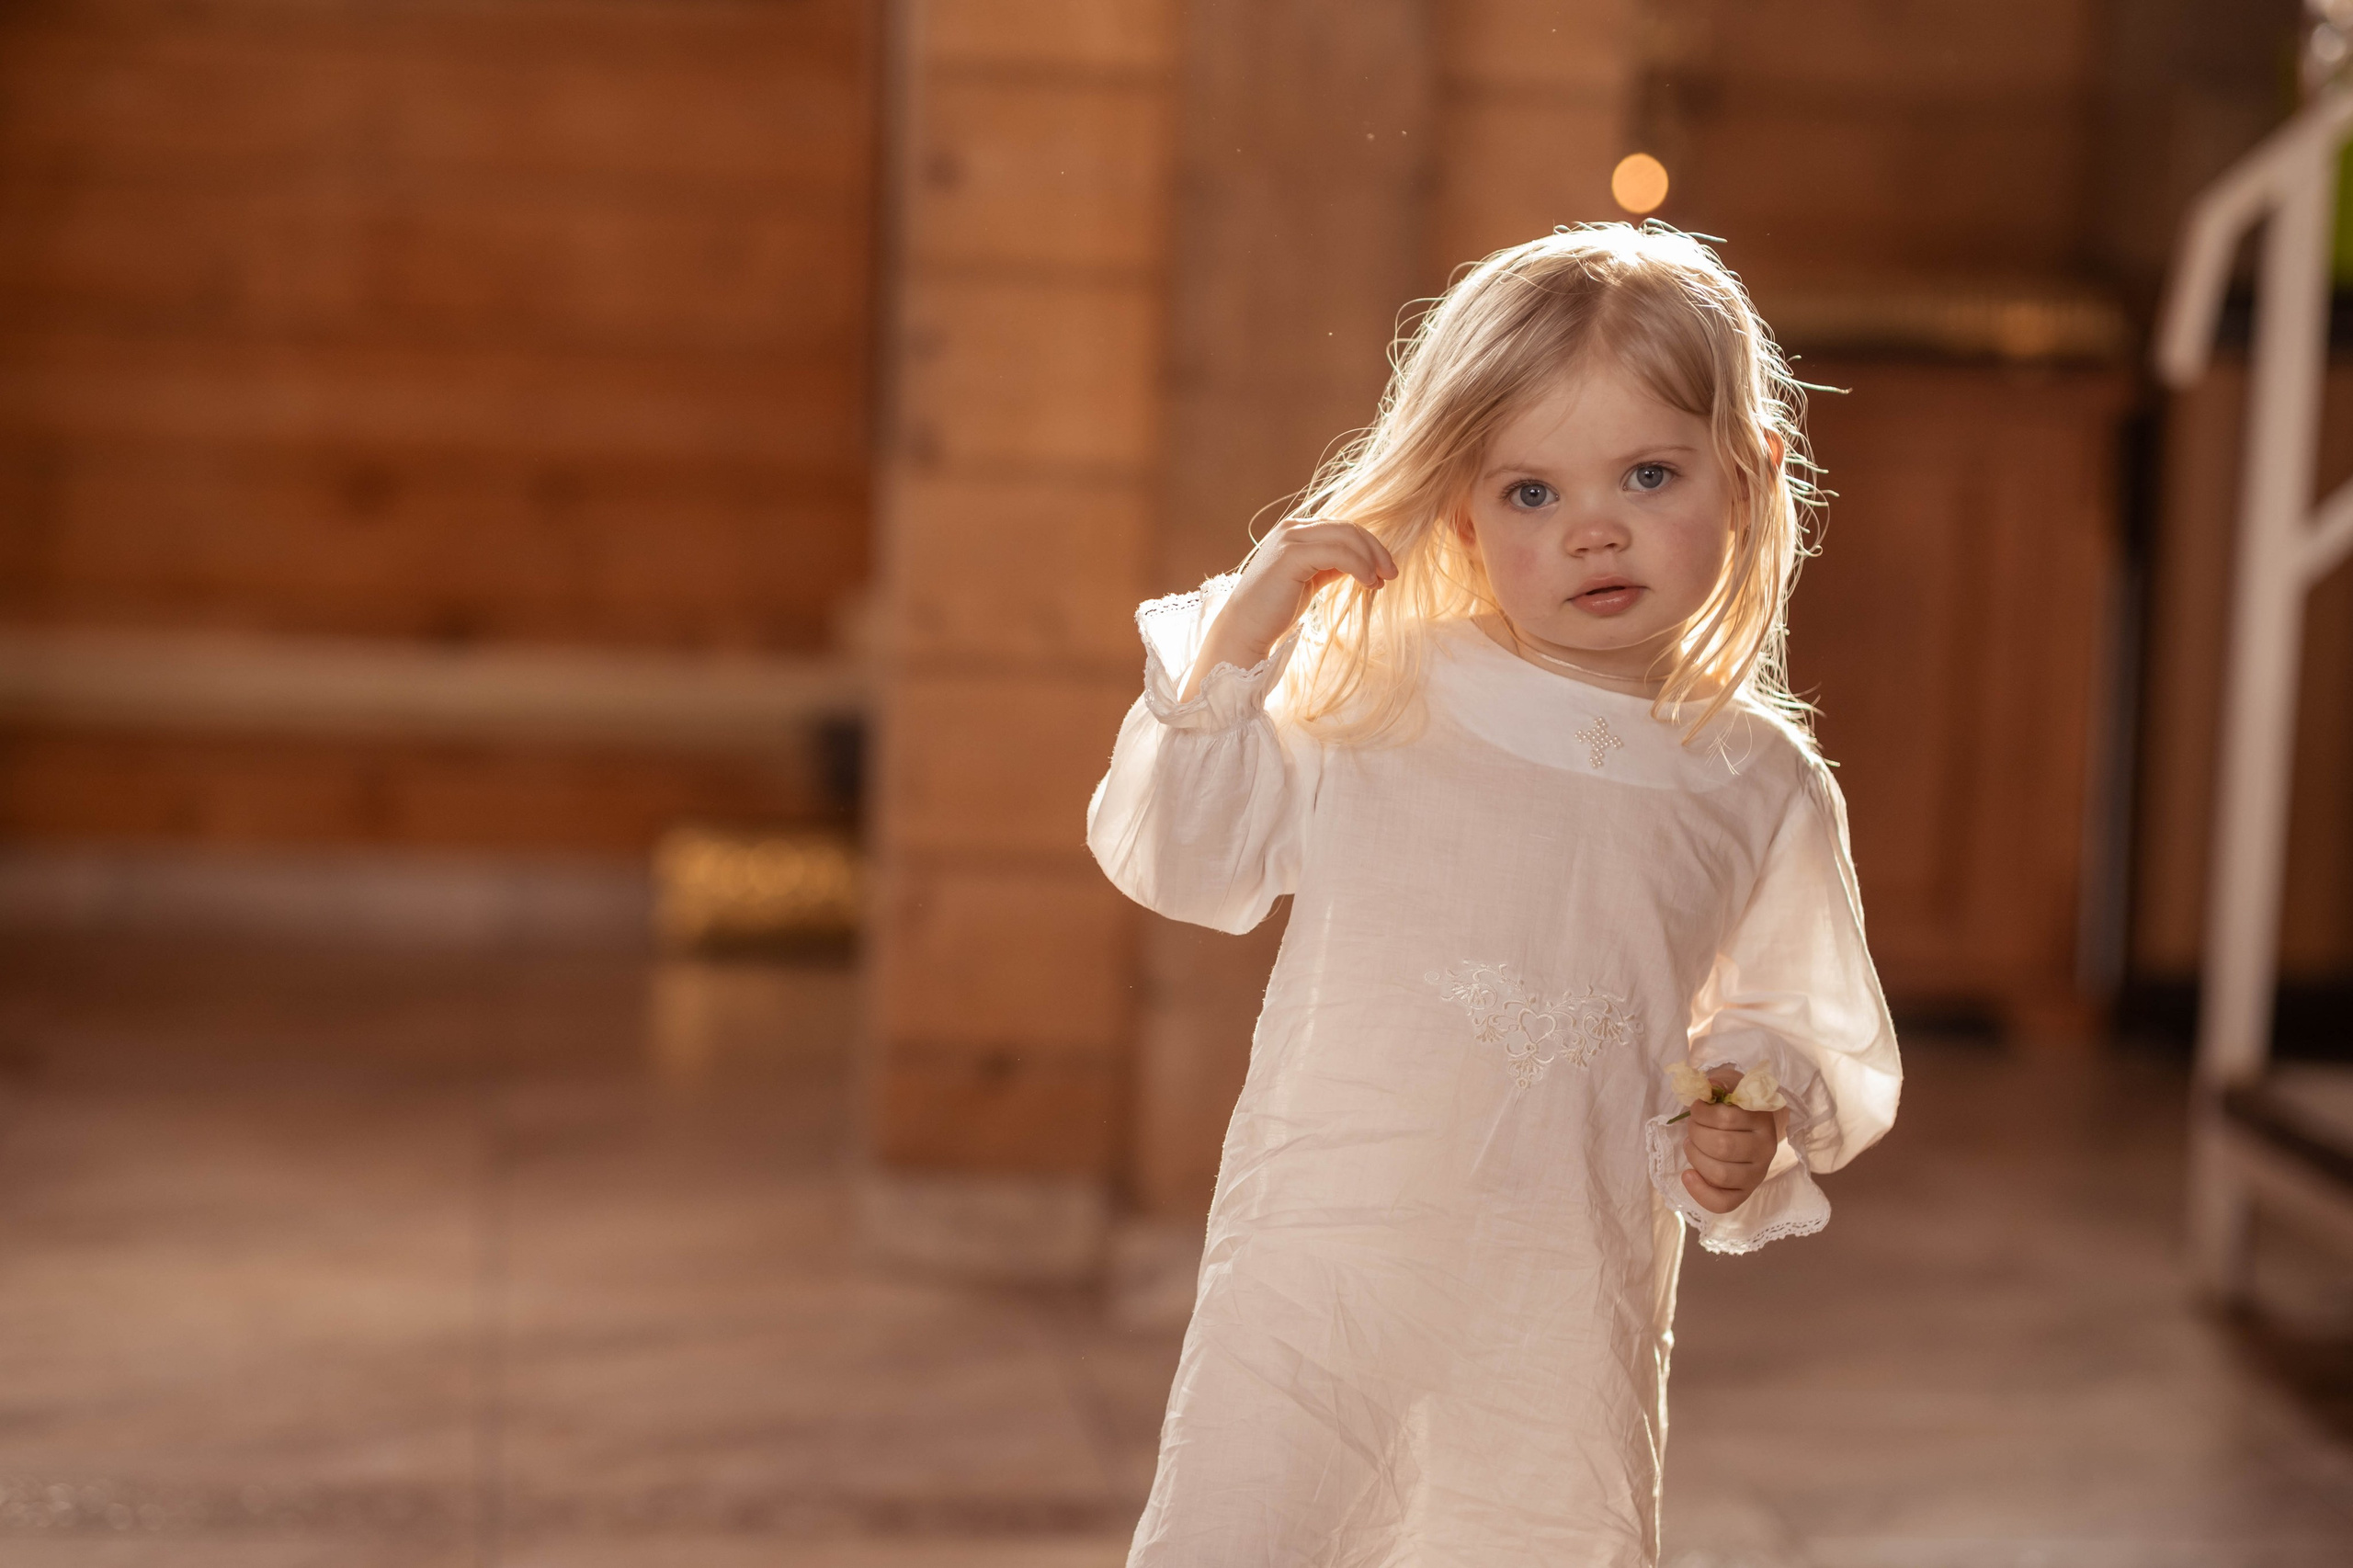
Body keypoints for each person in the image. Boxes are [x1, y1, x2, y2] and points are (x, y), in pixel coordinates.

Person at [1086, 223, 1904, 1566]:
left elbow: (1807, 1021)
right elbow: (1187, 857)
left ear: (1749, 477)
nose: (1593, 526)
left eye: (1649, 473)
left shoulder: (1756, 786)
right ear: (1463, 506)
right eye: (1531, 492)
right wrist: (1243, 635)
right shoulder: (1383, 688)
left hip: (1563, 1305)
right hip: (1321, 1277)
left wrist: (1751, 1101)